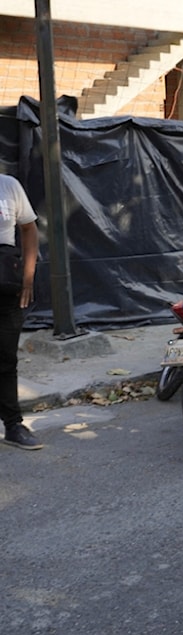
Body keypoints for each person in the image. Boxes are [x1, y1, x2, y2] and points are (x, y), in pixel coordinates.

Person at [0, 172, 41, 451]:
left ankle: (13, 424)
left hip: (5, 282)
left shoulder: (9, 185)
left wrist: (27, 278)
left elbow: (29, 229)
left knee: (5, 358)